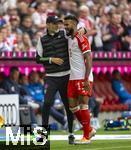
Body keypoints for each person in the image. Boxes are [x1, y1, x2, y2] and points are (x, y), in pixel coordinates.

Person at [64, 15, 96, 144]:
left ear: (74, 24)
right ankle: (89, 129)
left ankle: (86, 137)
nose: (65, 27)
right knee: (72, 107)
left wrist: (86, 79)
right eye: (64, 25)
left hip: (83, 77)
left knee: (83, 105)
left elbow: (88, 58)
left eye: (67, 25)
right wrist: (84, 28)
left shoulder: (81, 38)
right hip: (72, 77)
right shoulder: (68, 37)